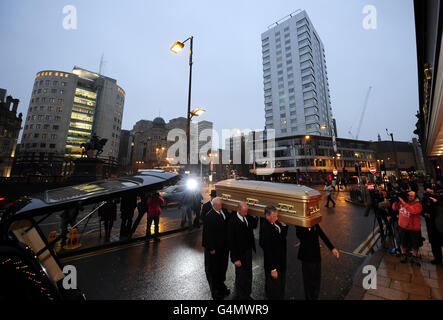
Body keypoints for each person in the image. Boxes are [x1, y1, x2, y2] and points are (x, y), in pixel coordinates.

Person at [295, 223, 339, 300]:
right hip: (306, 258)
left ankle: (315, 297)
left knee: (316, 280)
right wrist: (305, 226)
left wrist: (332, 248)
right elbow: (300, 236)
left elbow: (322, 235)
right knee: (308, 282)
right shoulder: (300, 225)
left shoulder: (315, 224)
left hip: (316, 256)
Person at [227, 201, 258, 300]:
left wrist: (254, 217)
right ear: (239, 210)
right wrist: (235, 259)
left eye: (247, 211)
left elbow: (253, 226)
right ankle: (241, 296)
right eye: (244, 212)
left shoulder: (247, 217)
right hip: (239, 255)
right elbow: (231, 242)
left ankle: (247, 294)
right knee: (241, 276)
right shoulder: (232, 222)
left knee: (248, 274)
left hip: (248, 251)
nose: (246, 213)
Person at [202, 197, 231, 300]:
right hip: (215, 249)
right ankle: (215, 291)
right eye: (218, 205)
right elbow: (207, 234)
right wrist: (211, 248)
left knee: (222, 268)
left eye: (221, 205)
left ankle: (221, 286)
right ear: (214, 205)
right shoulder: (209, 216)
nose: (220, 206)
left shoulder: (223, 211)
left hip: (223, 248)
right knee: (214, 270)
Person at [259, 206, 288, 300]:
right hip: (273, 264)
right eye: (275, 216)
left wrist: (284, 226)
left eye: (277, 216)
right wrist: (272, 269)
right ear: (267, 216)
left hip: (280, 261)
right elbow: (268, 250)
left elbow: (282, 237)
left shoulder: (275, 223)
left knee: (280, 286)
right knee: (273, 289)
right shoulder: (265, 228)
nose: (277, 218)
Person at [392, 191, 423, 266]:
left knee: (415, 244)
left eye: (412, 196)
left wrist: (404, 203)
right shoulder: (402, 202)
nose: (410, 197)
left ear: (415, 197)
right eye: (409, 195)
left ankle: (414, 256)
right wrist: (396, 201)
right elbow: (394, 208)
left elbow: (413, 211)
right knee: (403, 242)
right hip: (402, 227)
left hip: (413, 228)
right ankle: (403, 254)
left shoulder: (418, 205)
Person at [422, 188, 443, 265]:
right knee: (434, 244)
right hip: (432, 226)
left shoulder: (440, 201)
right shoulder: (426, 200)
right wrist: (425, 214)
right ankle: (437, 259)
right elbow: (424, 211)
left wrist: (436, 202)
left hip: (440, 226)